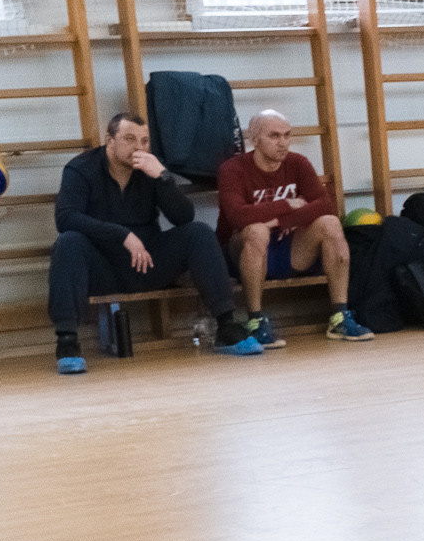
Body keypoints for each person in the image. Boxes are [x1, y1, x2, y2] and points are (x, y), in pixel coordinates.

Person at [47, 113, 263, 374]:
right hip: (102, 267)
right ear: (109, 141)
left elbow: (183, 217)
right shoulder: (80, 169)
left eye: (144, 141)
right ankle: (67, 342)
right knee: (68, 242)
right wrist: (121, 235)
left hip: (147, 262)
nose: (138, 148)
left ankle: (227, 327)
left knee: (198, 233)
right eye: (129, 139)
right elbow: (66, 218)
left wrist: (162, 177)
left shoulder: (152, 168)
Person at [215, 109, 370, 344]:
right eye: (274, 136)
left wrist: (282, 220)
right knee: (256, 229)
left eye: (287, 136)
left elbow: (325, 205)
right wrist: (287, 204)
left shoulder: (298, 163)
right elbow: (238, 216)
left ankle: (340, 317)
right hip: (244, 253)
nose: (283, 143)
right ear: (254, 139)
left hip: (289, 250)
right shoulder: (232, 169)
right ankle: (255, 321)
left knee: (330, 223)